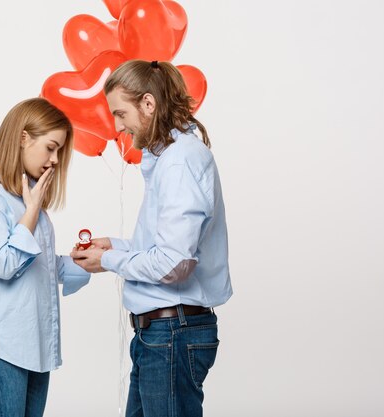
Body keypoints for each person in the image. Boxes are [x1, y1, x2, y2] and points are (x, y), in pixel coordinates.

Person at [71, 60, 233, 417]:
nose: (117, 127)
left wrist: (108, 261)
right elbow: (169, 249)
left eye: (120, 113)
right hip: (162, 334)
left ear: (148, 104)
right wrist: (115, 246)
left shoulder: (179, 162)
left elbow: (173, 263)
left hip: (171, 334)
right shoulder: (168, 160)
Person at [0, 98, 90, 417]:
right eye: (51, 148)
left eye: (60, 152)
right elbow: (5, 264)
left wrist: (89, 261)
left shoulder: (26, 196)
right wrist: (30, 212)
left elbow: (38, 265)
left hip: (33, 345)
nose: (55, 160)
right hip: (0, 346)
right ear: (23, 138)